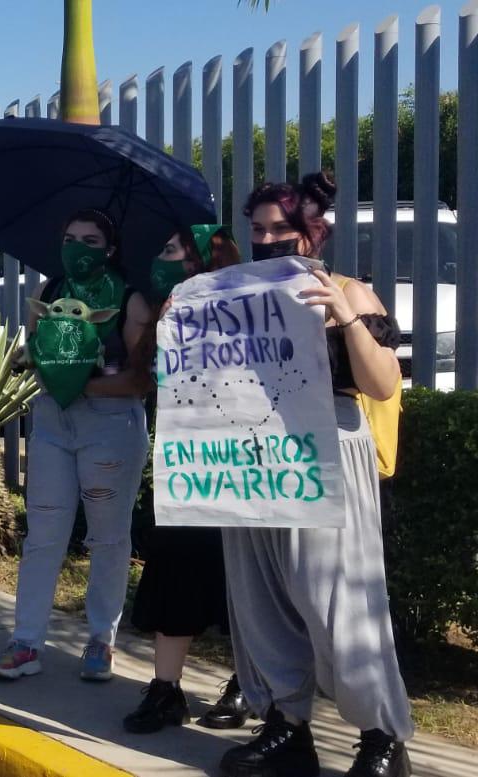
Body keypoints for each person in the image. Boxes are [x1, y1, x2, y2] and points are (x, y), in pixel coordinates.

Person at [216, 182, 413, 777]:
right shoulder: (237, 296)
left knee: (337, 598)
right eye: (259, 229)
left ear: (313, 233)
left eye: (282, 229)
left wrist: (346, 318)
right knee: (260, 598)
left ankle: (381, 736)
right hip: (252, 456)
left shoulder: (350, 291)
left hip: (324, 450)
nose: (268, 239)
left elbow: (383, 384)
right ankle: (286, 724)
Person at [0, 209, 151, 683]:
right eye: (69, 238)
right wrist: (31, 363)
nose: (77, 248)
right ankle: (26, 642)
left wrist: (83, 384)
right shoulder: (48, 293)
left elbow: (141, 380)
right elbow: (37, 352)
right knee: (43, 534)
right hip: (52, 420)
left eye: (90, 240)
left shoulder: (130, 300)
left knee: (107, 536)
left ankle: (101, 639)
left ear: (110, 248)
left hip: (110, 423)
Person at [122, 225, 253, 735]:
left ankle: (248, 683)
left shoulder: (246, 311)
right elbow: (151, 379)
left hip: (242, 471)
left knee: (244, 582)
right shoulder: (167, 315)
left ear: (202, 260)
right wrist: (162, 325)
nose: (161, 258)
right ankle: (165, 690)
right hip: (188, 472)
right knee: (174, 573)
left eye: (170, 250)